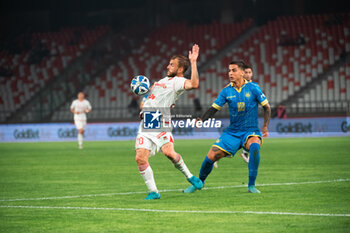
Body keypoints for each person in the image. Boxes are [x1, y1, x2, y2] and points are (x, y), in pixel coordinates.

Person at [184, 60, 271, 194]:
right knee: (212, 154)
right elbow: (214, 108)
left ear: (242, 72)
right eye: (229, 70)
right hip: (233, 132)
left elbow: (267, 107)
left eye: (234, 70)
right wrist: (202, 119)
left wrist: (265, 126)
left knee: (254, 147)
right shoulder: (226, 91)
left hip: (250, 130)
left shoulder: (253, 88)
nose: (230, 73)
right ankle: (199, 183)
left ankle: (251, 185)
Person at [135, 44, 203, 200]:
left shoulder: (178, 82)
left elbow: (194, 84)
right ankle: (154, 191)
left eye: (172, 64)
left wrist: (193, 62)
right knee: (140, 157)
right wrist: (144, 95)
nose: (167, 66)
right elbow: (147, 100)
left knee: (169, 153)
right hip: (146, 122)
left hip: (160, 121)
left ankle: (190, 176)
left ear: (180, 69)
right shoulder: (161, 81)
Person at [213, 63, 254, 167]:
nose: (248, 74)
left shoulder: (253, 87)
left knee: (251, 140)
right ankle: (215, 156)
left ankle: (244, 152)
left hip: (249, 122)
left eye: (249, 72)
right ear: (242, 73)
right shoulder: (231, 88)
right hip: (238, 123)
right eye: (246, 72)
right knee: (233, 146)